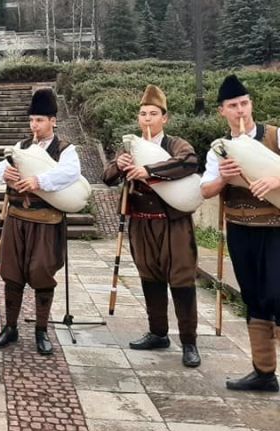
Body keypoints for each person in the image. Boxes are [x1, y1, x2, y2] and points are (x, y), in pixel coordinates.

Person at [103, 85, 201, 367]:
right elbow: (107, 175)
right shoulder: (130, 147)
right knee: (150, 277)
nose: (147, 119)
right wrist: (120, 165)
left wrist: (149, 170)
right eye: (143, 113)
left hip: (173, 224)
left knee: (181, 279)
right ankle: (158, 332)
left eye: (153, 114)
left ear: (164, 118)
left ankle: (189, 342)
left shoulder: (175, 145)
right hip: (142, 224)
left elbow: (190, 163)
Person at [201, 74, 280, 392]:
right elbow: (205, 190)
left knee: (277, 294)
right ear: (222, 111)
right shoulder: (219, 150)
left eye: (244, 103)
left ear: (252, 105)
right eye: (233, 106)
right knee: (254, 297)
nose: (240, 110)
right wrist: (222, 178)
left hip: (276, 229)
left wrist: (276, 179)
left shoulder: (274, 136)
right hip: (240, 229)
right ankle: (263, 373)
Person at [0, 88, 81, 355]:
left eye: (40, 120)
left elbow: (70, 173)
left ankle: (42, 330)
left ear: (53, 120)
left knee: (42, 272)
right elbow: (0, 166)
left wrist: (39, 181)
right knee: (12, 273)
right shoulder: (22, 147)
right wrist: (4, 173)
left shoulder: (65, 149)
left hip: (46, 221)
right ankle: (10, 327)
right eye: (32, 120)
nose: (35, 126)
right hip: (17, 219)